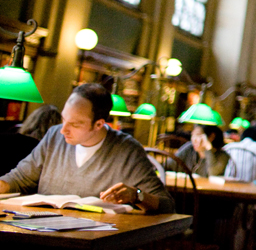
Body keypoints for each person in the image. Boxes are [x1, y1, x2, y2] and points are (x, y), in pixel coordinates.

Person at [0, 83, 175, 213]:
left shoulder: (127, 150)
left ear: (98, 124)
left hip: (95, 240)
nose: (63, 130)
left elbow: (167, 205)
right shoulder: (54, 136)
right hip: (43, 231)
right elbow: (20, 178)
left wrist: (136, 195)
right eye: (63, 119)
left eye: (75, 124)